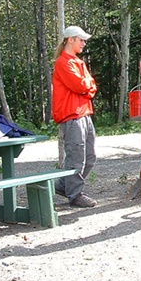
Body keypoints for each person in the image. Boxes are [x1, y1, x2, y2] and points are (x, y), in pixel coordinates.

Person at [52, 26, 98, 208]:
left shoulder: (78, 62)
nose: (84, 43)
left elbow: (91, 86)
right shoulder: (63, 63)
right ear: (70, 40)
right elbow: (80, 85)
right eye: (81, 40)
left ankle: (64, 185)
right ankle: (75, 194)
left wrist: (87, 86)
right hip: (71, 114)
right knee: (76, 156)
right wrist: (87, 86)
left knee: (90, 156)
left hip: (84, 112)